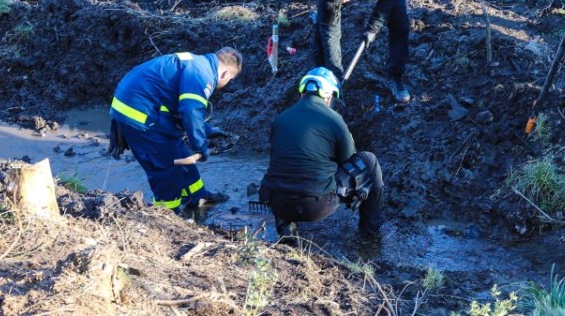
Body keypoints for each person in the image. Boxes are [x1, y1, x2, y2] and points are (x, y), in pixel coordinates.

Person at [108, 48, 243, 214]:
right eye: (230, 79)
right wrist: (201, 146)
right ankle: (165, 214)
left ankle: (196, 196)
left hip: (136, 104)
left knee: (180, 153)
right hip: (142, 114)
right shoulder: (203, 75)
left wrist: (206, 130)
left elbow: (178, 109)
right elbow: (190, 111)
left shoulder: (197, 64)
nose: (227, 83)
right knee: (166, 167)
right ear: (226, 73)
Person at [260, 68, 385, 243]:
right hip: (317, 206)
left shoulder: (281, 118)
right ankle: (370, 234)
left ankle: (287, 232)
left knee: (284, 171)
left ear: (303, 92)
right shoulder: (334, 118)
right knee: (369, 161)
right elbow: (349, 160)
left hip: (278, 204)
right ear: (328, 96)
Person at [314, 0, 411, 103]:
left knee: (399, 19)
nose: (344, 2)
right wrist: (335, 74)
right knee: (323, 26)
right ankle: (324, 77)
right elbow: (331, 31)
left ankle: (396, 76)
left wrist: (373, 27)